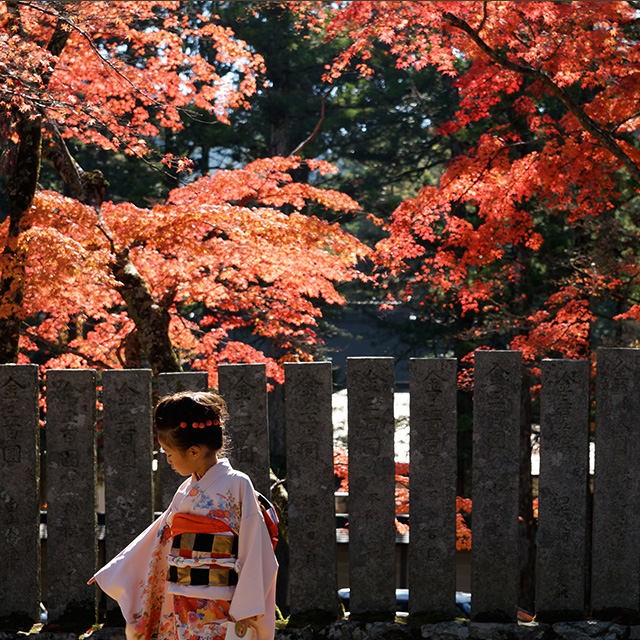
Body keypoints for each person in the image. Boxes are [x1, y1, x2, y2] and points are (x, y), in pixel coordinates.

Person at [90, 391, 278, 640]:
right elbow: (158, 536)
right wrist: (117, 569)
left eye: (169, 453)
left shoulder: (238, 485)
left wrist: (245, 607)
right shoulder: (186, 490)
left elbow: (255, 550)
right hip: (182, 599)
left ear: (193, 452)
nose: (167, 460)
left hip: (222, 603)